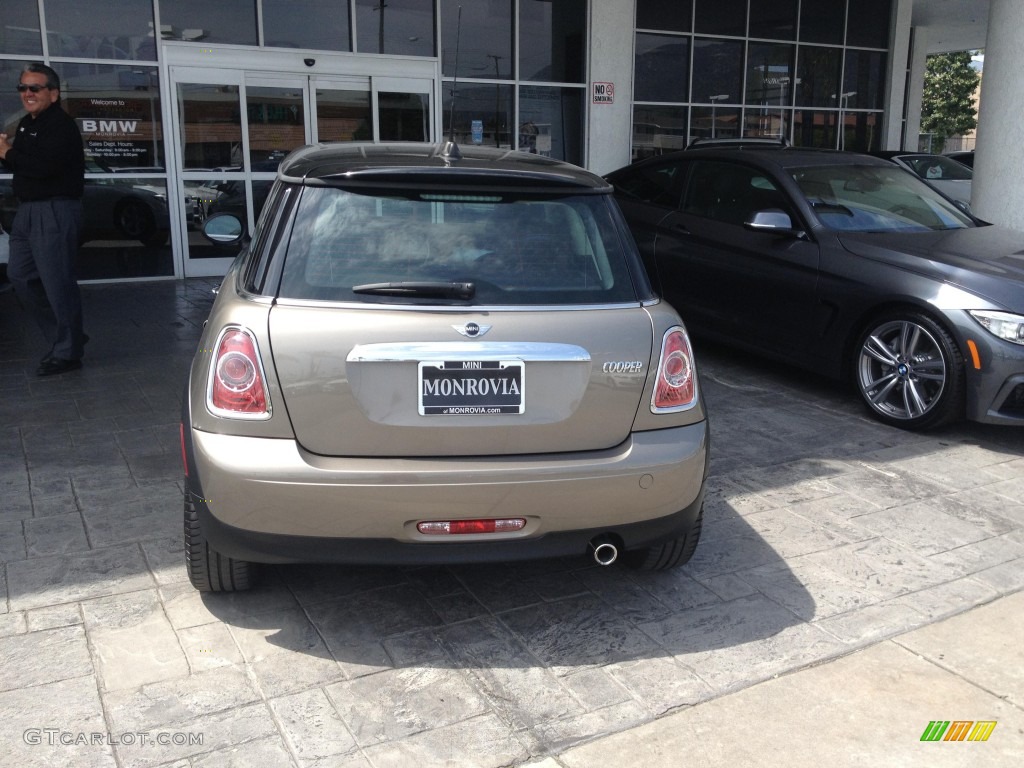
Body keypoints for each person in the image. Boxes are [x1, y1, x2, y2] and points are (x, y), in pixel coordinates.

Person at [0, 63, 87, 376]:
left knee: (57, 283)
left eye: (34, 88)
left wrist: (5, 151)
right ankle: (69, 335)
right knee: (20, 276)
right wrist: (8, 150)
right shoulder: (26, 123)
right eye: (23, 88)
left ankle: (67, 352)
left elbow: (41, 167)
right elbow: (21, 163)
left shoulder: (60, 126)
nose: (27, 94)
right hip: (27, 212)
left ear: (53, 93)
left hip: (54, 210)